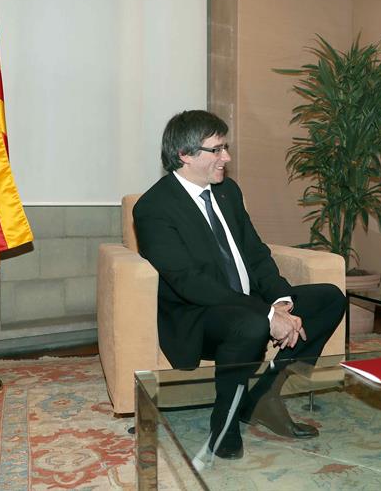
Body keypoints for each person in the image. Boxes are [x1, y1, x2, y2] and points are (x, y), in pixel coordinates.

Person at [133, 110, 346, 461]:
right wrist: (266, 315)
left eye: (225, 147)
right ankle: (226, 422)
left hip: (250, 301)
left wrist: (281, 302)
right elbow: (190, 283)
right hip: (200, 314)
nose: (226, 158)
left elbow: (256, 254)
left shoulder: (228, 191)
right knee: (248, 324)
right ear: (185, 155)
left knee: (329, 298)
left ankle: (265, 395)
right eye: (216, 150)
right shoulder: (154, 207)